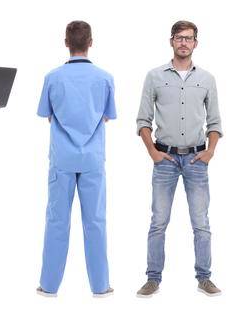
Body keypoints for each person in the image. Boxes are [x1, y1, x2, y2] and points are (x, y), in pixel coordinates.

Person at [134, 20, 223, 298]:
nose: (183, 43)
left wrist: (209, 152)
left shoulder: (207, 79)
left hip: (197, 159)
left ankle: (204, 277)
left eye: (189, 38)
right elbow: (142, 120)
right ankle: (153, 278)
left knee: (201, 223)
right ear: (171, 41)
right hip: (165, 160)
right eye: (179, 38)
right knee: (158, 221)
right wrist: (153, 152)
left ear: (196, 43)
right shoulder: (154, 76)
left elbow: (215, 121)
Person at [36, 20, 116, 298]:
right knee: (95, 221)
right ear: (91, 42)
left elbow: (47, 115)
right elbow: (107, 116)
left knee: (57, 220)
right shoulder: (105, 78)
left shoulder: (52, 77)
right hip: (93, 159)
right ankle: (100, 286)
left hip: (63, 159)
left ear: (66, 42)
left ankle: (48, 286)